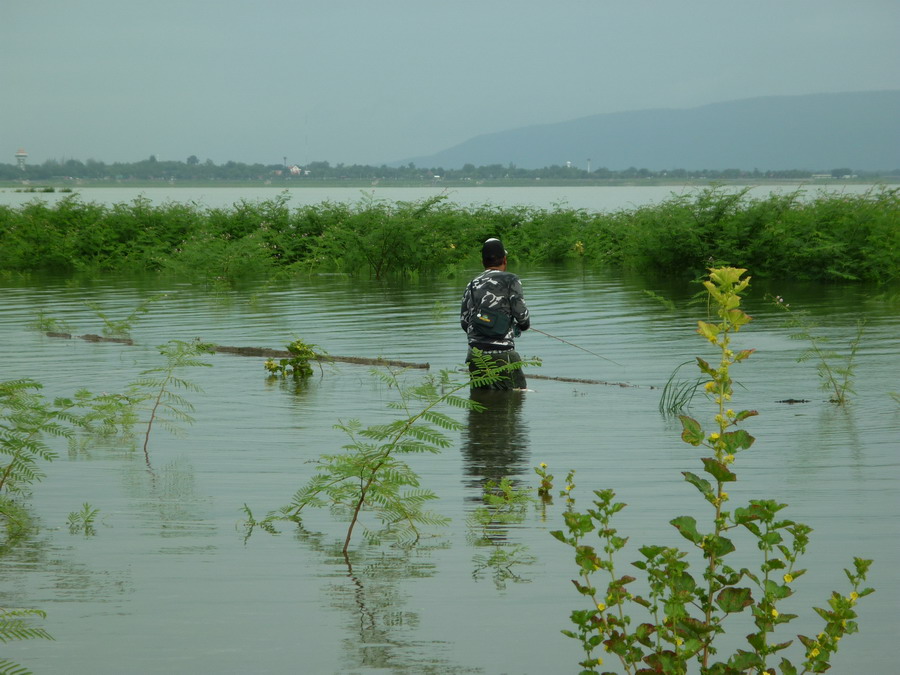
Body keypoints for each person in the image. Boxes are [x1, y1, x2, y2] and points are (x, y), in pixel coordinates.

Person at [460, 238, 531, 390]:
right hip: (503, 355)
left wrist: (484, 327)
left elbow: (465, 322)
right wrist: (520, 327)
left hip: (475, 355)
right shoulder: (511, 280)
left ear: (483, 262)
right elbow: (522, 317)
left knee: (480, 404)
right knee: (515, 400)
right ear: (504, 260)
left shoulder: (472, 284)